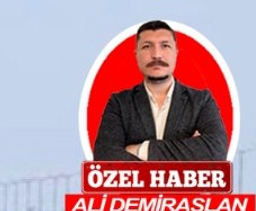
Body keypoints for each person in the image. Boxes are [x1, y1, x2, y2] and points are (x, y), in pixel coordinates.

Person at [92, 20, 228, 162]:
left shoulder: (201, 101)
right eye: (147, 46)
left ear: (176, 53)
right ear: (136, 55)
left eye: (165, 46)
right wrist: (189, 150)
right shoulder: (119, 103)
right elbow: (105, 156)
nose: (156, 54)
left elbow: (217, 150)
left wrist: (142, 150)